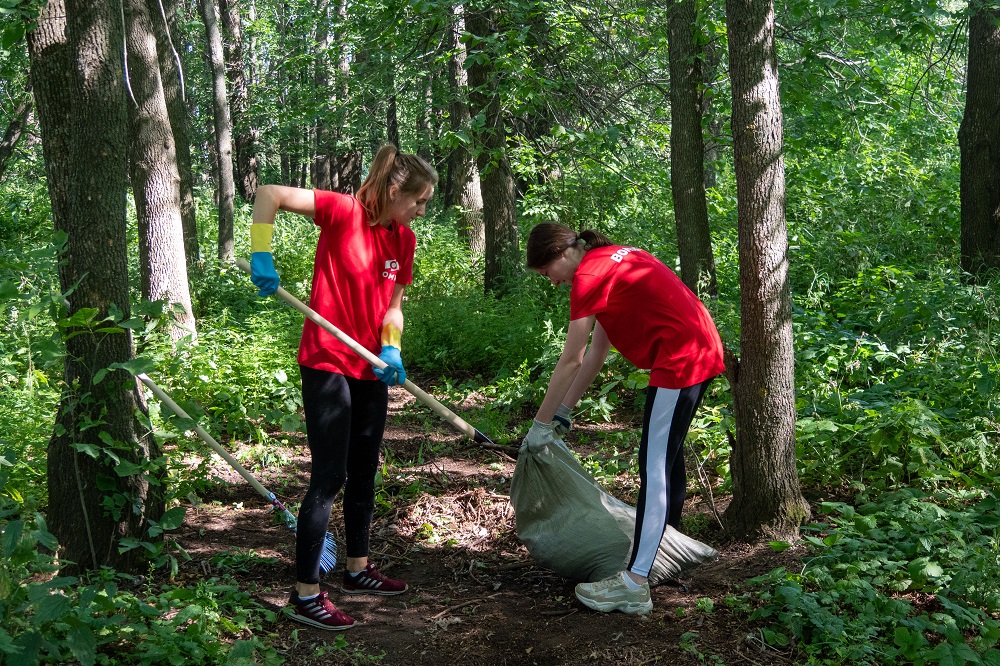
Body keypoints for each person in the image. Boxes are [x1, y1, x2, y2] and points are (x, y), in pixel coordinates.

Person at [249, 145, 437, 631]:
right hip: (327, 362)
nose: (421, 210)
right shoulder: (341, 211)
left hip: (371, 365)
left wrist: (391, 348)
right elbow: (268, 194)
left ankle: (357, 568)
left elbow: (394, 306)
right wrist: (260, 251)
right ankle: (306, 593)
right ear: (396, 191)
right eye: (418, 201)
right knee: (329, 477)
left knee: (365, 471)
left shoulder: (404, 241)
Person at [522, 222, 724, 616]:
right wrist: (564, 410)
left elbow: (572, 358)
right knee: (666, 459)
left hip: (680, 362)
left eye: (547, 274)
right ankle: (667, 547)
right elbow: (597, 354)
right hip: (698, 350)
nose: (552, 283)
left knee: (654, 469)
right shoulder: (612, 259)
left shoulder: (588, 276)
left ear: (562, 255)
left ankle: (635, 583)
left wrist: (540, 425)